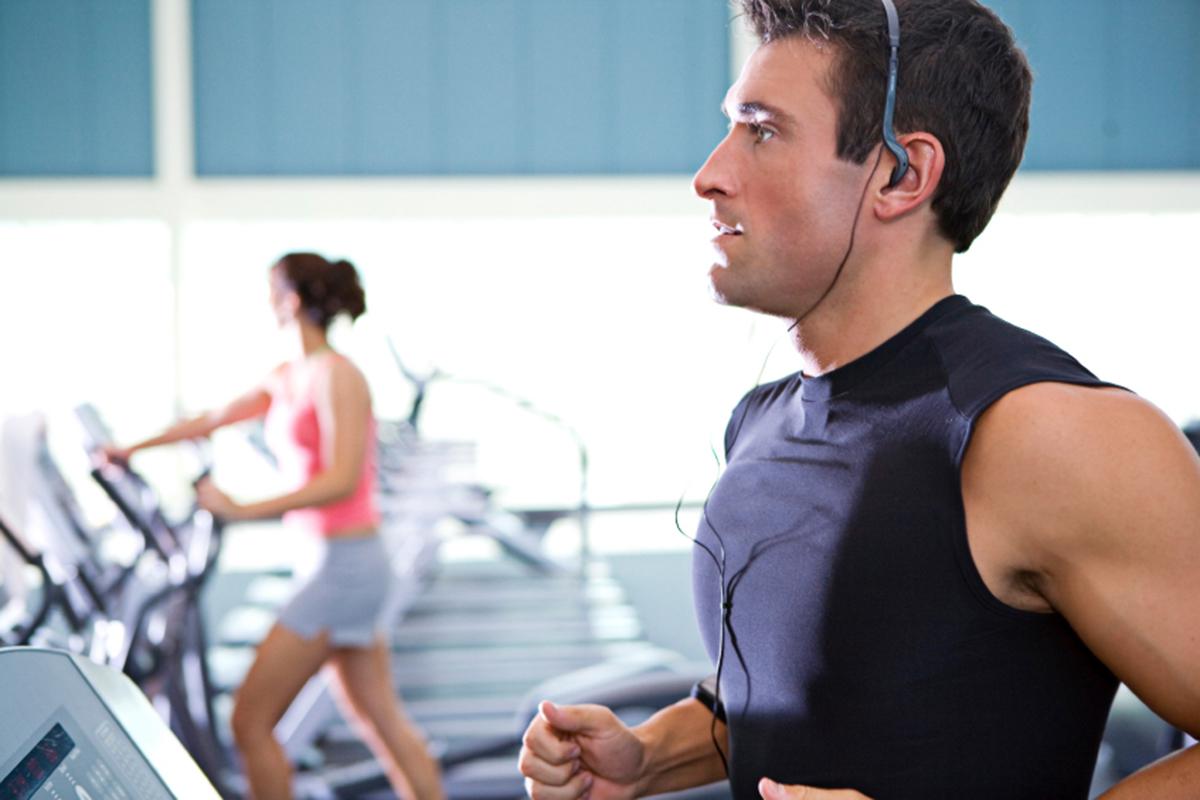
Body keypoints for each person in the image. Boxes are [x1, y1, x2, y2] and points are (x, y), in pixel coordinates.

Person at [518, 1, 1200, 798]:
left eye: (761, 130)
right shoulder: (763, 420)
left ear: (902, 174)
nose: (709, 175)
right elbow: (809, 700)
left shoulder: (1043, 431)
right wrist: (649, 757)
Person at [102, 253, 444, 800]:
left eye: (270, 291)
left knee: (250, 721)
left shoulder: (340, 376)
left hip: (344, 566)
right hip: (330, 562)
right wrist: (129, 449)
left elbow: (340, 479)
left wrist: (240, 508)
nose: (264, 302)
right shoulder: (289, 376)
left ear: (290, 300)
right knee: (380, 722)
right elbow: (212, 418)